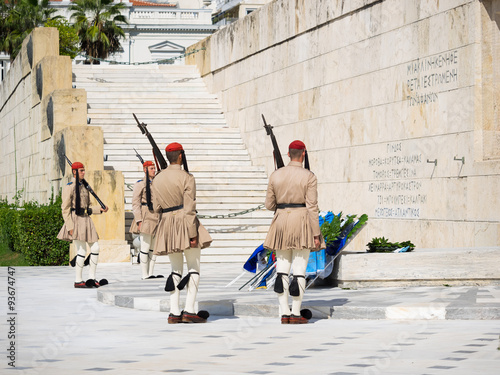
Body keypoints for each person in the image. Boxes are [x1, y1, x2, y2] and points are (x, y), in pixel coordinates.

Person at [263, 140, 324, 324]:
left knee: (282, 270)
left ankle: (284, 312)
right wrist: (316, 233)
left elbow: (268, 205)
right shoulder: (309, 176)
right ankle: (296, 313)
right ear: (303, 154)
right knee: (299, 270)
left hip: (281, 221)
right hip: (302, 221)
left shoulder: (275, 175)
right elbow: (312, 207)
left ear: (288, 154)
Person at [151, 143, 212, 324]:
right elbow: (189, 208)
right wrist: (193, 234)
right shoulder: (187, 177)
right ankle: (190, 310)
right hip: (185, 223)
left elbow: (155, 208)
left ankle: (174, 312)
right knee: (194, 268)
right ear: (180, 156)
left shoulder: (157, 179)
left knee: (175, 269)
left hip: (167, 224)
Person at [57, 162, 109, 288]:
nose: (84, 172)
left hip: (86, 220)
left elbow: (88, 206)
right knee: (81, 250)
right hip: (76, 220)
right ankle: (78, 280)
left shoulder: (85, 187)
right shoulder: (69, 187)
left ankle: (92, 278)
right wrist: (70, 227)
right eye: (81, 170)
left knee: (95, 248)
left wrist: (99, 209)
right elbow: (65, 209)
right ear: (74, 172)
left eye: (84, 170)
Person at [130, 160, 162, 279]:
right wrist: (139, 220)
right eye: (151, 168)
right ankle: (144, 274)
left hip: (156, 216)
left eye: (154, 168)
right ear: (145, 170)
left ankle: (150, 273)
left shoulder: (157, 184)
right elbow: (135, 203)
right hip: (145, 216)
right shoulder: (140, 184)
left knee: (153, 247)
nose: (154, 170)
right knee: (145, 246)